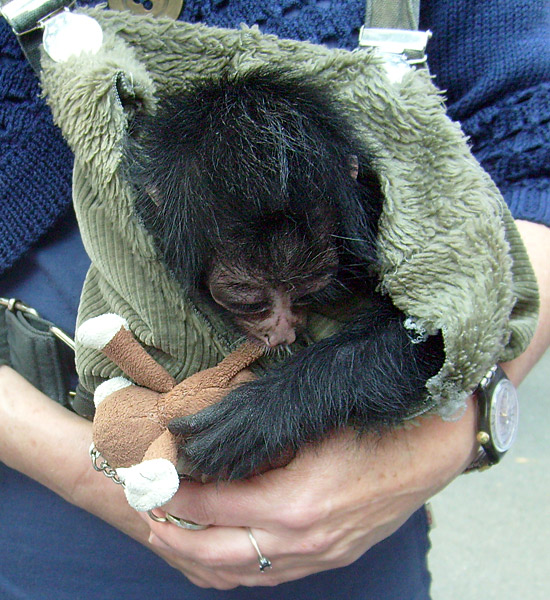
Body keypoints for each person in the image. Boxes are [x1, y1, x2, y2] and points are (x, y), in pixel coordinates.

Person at [0, 1, 548, 598]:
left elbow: (531, 171)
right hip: (41, 491)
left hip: (356, 511)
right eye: (252, 302)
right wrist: (101, 479)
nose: (284, 328)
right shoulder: (140, 198)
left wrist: (440, 440)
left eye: (307, 291)